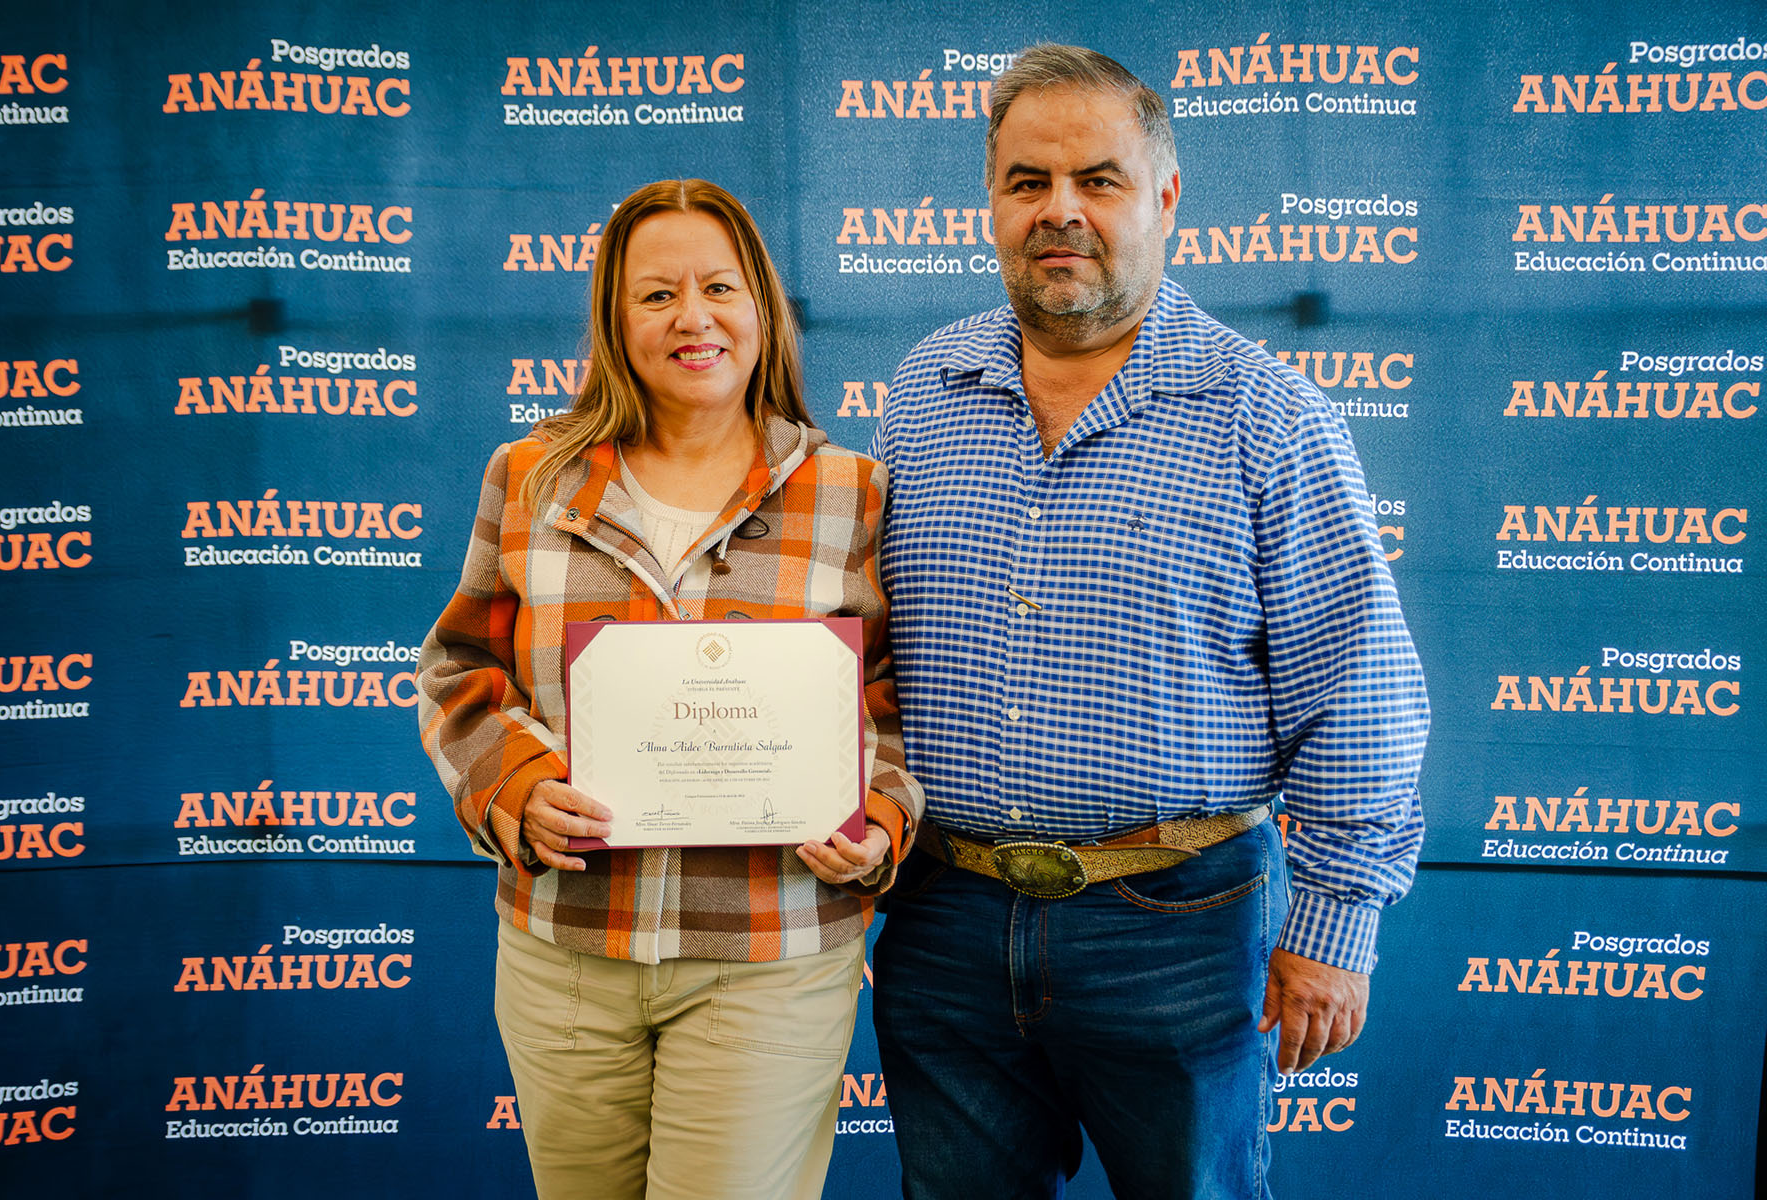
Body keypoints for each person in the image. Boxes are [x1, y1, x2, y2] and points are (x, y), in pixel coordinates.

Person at [867, 45, 1428, 1200]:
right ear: (991, 202)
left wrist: (1332, 925)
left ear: (1165, 197)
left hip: (1175, 927)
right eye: (1028, 182)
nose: (1059, 210)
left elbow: (1360, 689)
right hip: (945, 919)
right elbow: (863, 648)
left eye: (1099, 179)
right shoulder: (922, 394)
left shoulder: (1267, 417)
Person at [417, 178, 922, 1200]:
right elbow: (459, 671)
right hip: (566, 949)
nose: (692, 318)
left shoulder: (852, 493)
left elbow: (901, 704)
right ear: (615, 318)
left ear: (761, 309)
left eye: (718, 288)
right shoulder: (530, 476)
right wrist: (511, 788)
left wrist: (877, 820)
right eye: (656, 296)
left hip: (770, 952)